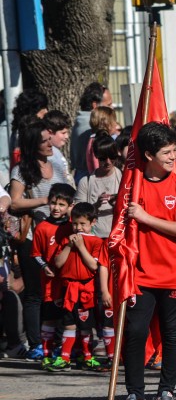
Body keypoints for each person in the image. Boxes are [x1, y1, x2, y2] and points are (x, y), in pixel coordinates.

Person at [114, 123, 176, 400]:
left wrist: (146, 217)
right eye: (166, 152)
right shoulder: (132, 186)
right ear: (148, 154)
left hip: (174, 272)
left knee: (172, 334)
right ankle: (135, 396)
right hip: (140, 274)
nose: (174, 156)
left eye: (175, 150)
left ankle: (167, 391)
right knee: (135, 332)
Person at [9, 120, 70, 361]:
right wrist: (45, 201)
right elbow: (14, 202)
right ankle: (36, 343)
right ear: (34, 144)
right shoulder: (21, 169)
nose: (50, 143)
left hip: (59, 235)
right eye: (45, 140)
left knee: (59, 290)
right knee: (35, 293)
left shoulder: (55, 162)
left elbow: (68, 187)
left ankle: (60, 341)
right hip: (34, 237)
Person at [46, 202, 109, 371]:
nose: (78, 227)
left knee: (86, 325)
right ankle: (65, 357)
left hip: (86, 290)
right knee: (69, 323)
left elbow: (94, 266)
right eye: (75, 223)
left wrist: (81, 247)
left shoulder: (96, 242)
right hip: (69, 289)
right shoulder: (66, 240)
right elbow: (58, 263)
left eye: (82, 224)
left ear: (92, 223)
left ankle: (87, 356)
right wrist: (69, 246)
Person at [30, 184, 75, 369]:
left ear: (69, 206)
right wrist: (45, 267)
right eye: (54, 203)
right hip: (50, 283)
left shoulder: (72, 226)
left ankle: (65, 357)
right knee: (49, 318)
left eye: (62, 204)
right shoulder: (42, 227)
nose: (56, 208)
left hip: (69, 283)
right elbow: (36, 253)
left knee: (70, 320)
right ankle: (47, 355)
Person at [75, 134, 123, 238]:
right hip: (95, 239)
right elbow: (78, 215)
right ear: (96, 156)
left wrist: (117, 201)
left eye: (112, 157)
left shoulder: (124, 178)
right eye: (103, 158)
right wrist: (96, 205)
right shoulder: (85, 182)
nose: (108, 162)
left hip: (120, 237)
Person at [71, 82, 112, 183]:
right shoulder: (91, 126)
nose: (112, 108)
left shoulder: (81, 121)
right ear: (95, 105)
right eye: (108, 105)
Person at [43, 110, 72, 175]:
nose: (67, 136)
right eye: (63, 133)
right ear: (50, 132)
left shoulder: (56, 152)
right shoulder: (47, 156)